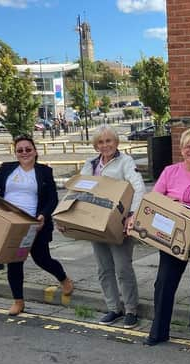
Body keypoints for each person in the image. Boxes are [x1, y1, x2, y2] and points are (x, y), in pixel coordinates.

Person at [0, 135, 73, 315]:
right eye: (20, 150)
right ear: (16, 153)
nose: (24, 153)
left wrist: (43, 215)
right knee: (14, 263)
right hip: (12, 225)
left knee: (42, 259)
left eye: (28, 149)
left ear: (35, 151)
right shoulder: (7, 169)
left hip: (34, 224)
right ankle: (18, 301)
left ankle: (63, 279)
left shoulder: (44, 172)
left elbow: (52, 198)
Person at [143, 129, 190, 346]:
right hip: (173, 236)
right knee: (164, 283)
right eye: (188, 146)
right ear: (181, 149)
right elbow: (155, 200)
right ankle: (158, 331)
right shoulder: (170, 172)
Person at [80, 126, 146, 328]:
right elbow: (80, 190)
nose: (105, 145)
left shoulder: (125, 162)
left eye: (109, 141)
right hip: (96, 223)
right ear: (96, 145)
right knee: (103, 269)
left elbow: (138, 188)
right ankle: (113, 308)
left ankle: (131, 309)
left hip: (119, 223)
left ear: (116, 143)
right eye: (101, 142)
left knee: (122, 268)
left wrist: (132, 215)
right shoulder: (90, 164)